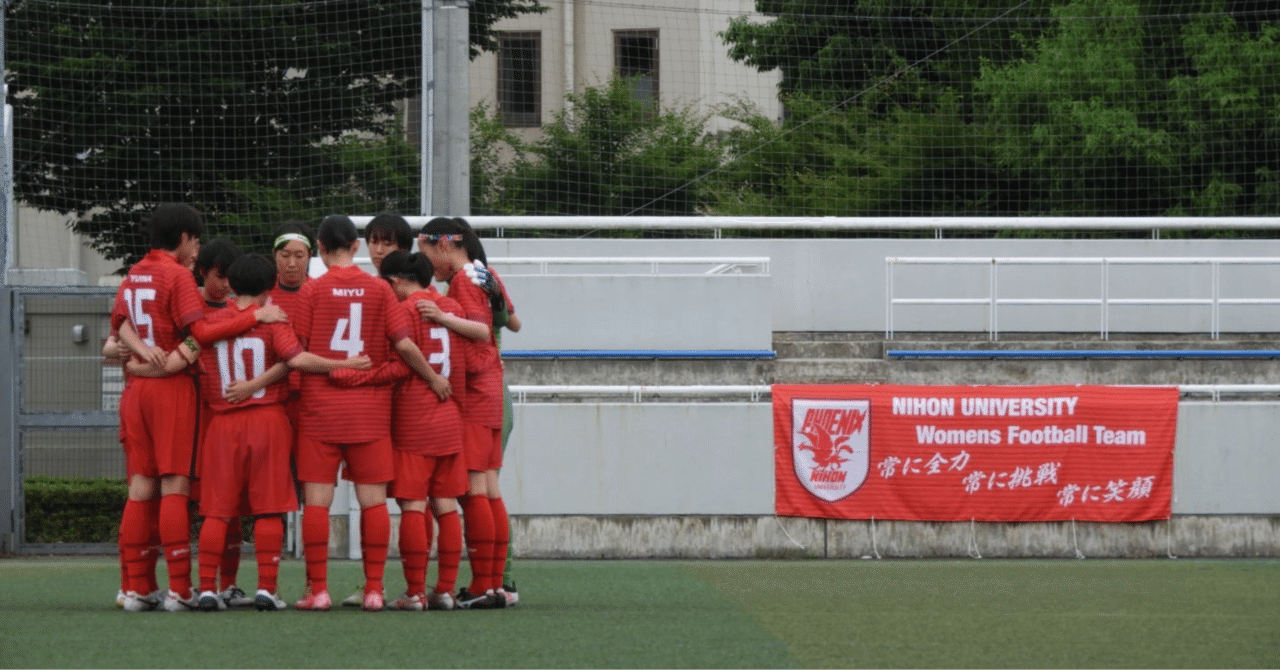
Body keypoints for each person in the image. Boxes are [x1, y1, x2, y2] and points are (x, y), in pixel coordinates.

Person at [112, 203, 288, 612]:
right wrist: (255, 316)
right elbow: (203, 332)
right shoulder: (176, 275)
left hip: (135, 390)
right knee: (175, 486)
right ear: (186, 237)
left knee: (141, 487)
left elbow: (119, 323)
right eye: (196, 240)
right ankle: (180, 590)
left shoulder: (135, 272)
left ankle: (135, 588)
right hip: (171, 391)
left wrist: (142, 354)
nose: (197, 248)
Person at [191, 254, 371, 612]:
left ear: (230, 284)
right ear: (270, 286)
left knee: (217, 512)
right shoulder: (274, 320)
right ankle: (266, 588)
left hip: (222, 424)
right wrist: (344, 363)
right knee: (269, 510)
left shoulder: (212, 322)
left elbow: (195, 346)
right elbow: (297, 360)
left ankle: (208, 588)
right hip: (268, 420)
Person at [291, 214, 451, 612]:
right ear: (358, 246)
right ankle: (376, 590)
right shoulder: (380, 291)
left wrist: (336, 372)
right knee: (374, 502)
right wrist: (372, 377)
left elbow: (297, 355)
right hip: (371, 414)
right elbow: (404, 352)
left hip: (320, 411)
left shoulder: (311, 292)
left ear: (320, 249)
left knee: (316, 502)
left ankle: (320, 591)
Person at [332, 250, 477, 611]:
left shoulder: (404, 310)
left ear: (396, 281)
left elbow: (399, 363)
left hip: (415, 417)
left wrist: (357, 376)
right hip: (449, 416)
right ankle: (444, 589)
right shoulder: (453, 309)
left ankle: (414, 592)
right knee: (445, 505)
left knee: (412, 503)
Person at [418, 216, 510, 608]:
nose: (427, 266)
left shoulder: (461, 279)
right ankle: (494, 585)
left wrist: (442, 317)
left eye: (425, 252)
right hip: (492, 387)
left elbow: (479, 331)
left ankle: (482, 586)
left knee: (474, 491)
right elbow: (512, 322)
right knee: (488, 489)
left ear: (442, 245)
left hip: (476, 390)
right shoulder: (483, 273)